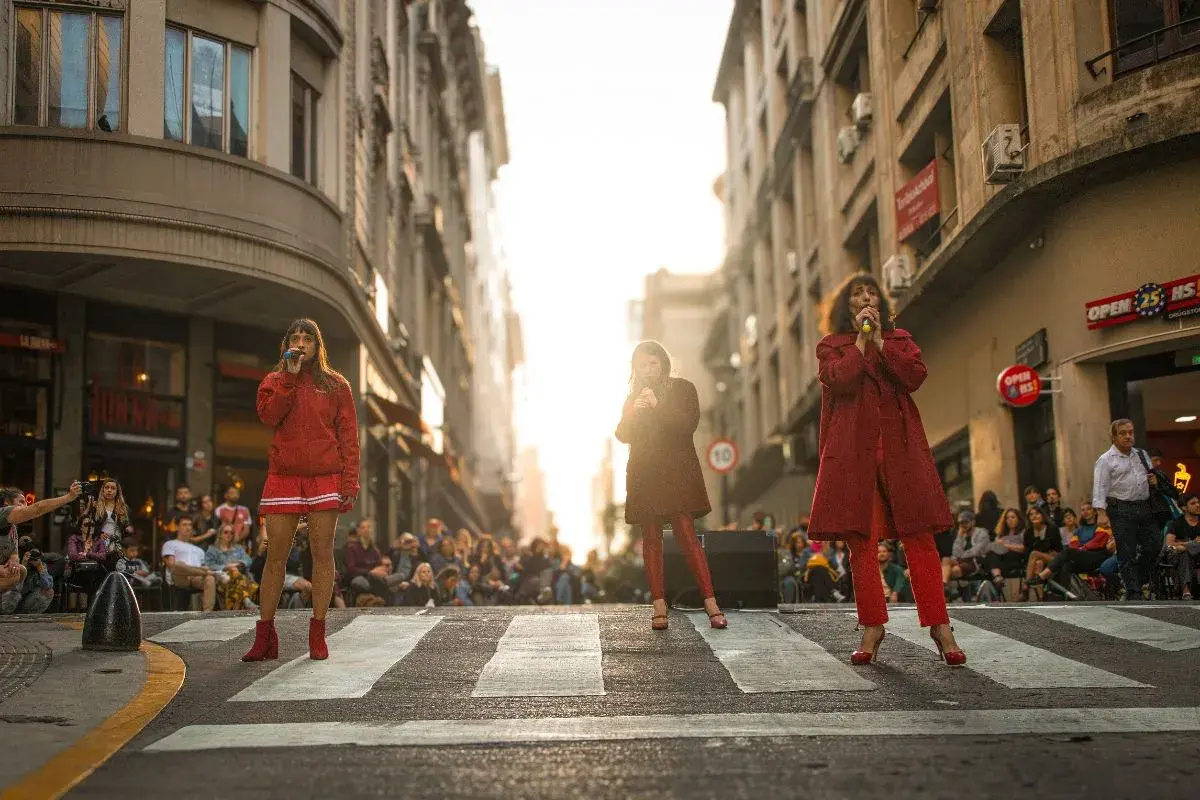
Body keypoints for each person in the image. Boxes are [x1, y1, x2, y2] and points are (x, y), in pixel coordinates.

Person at [805, 272, 964, 666]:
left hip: (900, 448)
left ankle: (940, 626)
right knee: (862, 540)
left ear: (881, 304)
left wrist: (879, 341)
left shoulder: (899, 340)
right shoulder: (832, 346)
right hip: (853, 452)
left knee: (919, 536)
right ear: (847, 305)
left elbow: (914, 376)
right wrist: (860, 343)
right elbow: (839, 380)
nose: (865, 298)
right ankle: (872, 625)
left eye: (871, 292)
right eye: (857, 293)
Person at [243, 318, 360, 662]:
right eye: (295, 337)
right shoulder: (274, 380)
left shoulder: (337, 385)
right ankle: (265, 636)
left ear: (317, 345)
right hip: (283, 475)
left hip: (325, 476)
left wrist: (349, 482)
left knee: (322, 554)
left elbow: (349, 437)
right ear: (287, 345)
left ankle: (318, 633)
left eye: (308, 338)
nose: (301, 342)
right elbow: (269, 417)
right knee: (274, 556)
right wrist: (290, 378)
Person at [615, 340, 726, 631]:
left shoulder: (683, 388)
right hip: (644, 475)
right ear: (635, 369)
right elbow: (622, 434)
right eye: (642, 365)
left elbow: (687, 424)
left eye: (653, 363)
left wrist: (657, 405)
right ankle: (659, 604)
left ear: (663, 362)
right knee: (651, 539)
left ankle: (711, 601)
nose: (649, 369)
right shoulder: (633, 396)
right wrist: (634, 412)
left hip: (676, 474)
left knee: (687, 535)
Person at [1093, 419, 1160, 600]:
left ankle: (1135, 581)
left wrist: (1155, 481)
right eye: (1123, 433)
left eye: (1130, 432)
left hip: (1144, 506)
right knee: (1127, 551)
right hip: (1120, 508)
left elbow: (1152, 475)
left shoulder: (1142, 454)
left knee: (1155, 543)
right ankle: (1134, 591)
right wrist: (1101, 512)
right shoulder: (1105, 460)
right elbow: (1100, 487)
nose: (1128, 436)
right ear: (1114, 437)